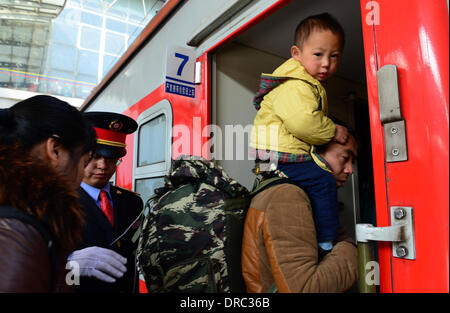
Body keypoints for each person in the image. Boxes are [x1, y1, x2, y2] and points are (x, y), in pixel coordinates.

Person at [250, 13, 348, 256]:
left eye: (334, 56)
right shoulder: (296, 84)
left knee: (297, 191)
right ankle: (326, 242)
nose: (326, 63)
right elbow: (303, 123)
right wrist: (333, 130)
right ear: (296, 53)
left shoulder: (303, 81)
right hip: (277, 153)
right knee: (323, 181)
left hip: (269, 155)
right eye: (318, 54)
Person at [0, 95, 96, 292]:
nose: (80, 177)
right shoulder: (19, 235)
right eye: (83, 163)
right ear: (55, 150)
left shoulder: (21, 217)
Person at [242, 131, 358, 293]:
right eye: (345, 158)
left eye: (353, 162)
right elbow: (304, 289)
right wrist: (350, 248)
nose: (350, 170)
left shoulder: (285, 191)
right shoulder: (286, 196)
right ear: (313, 154)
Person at [67, 112, 143, 293]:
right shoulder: (60, 201)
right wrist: (68, 264)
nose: (103, 165)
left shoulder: (133, 202)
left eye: (111, 158)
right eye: (95, 156)